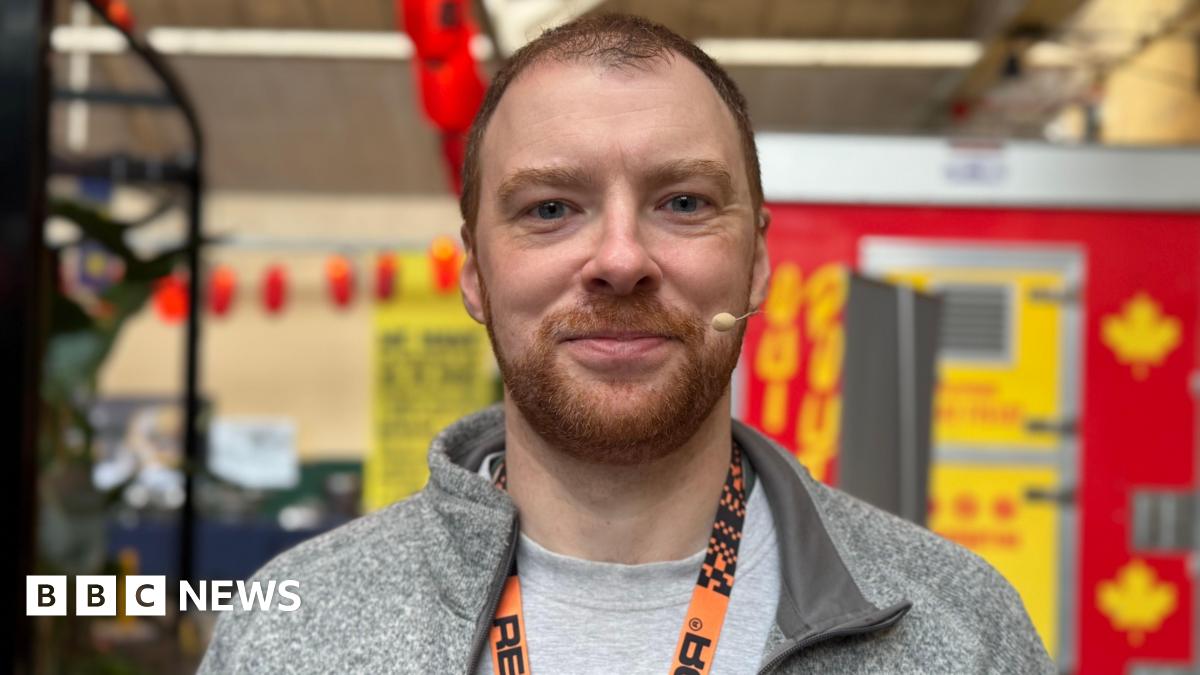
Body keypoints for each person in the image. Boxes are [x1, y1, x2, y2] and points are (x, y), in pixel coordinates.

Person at [199, 13, 1052, 674]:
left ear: (755, 262)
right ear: (475, 278)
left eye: (681, 202)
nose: (618, 260)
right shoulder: (293, 628)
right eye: (549, 209)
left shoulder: (960, 627)